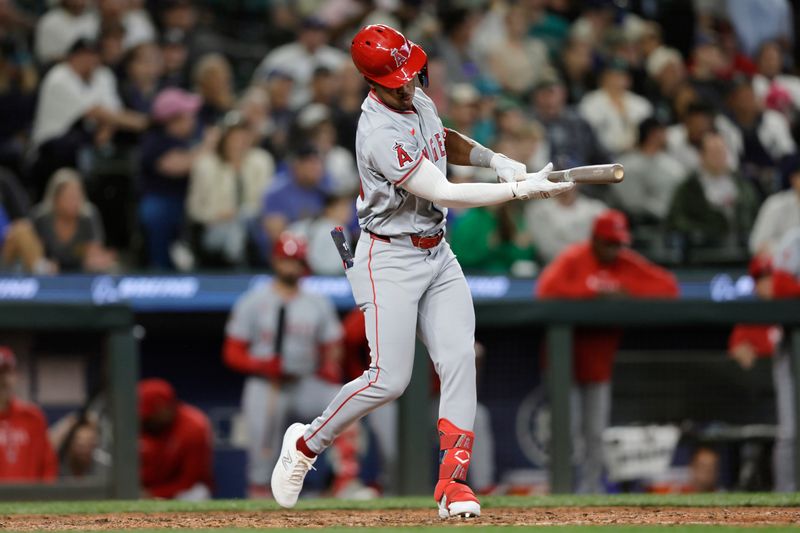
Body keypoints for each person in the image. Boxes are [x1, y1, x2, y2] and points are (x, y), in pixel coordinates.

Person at [269, 24, 573, 518]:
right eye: (398, 78)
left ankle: (452, 486)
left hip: (437, 251)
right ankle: (305, 444)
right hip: (387, 257)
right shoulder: (377, 131)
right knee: (389, 380)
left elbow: (442, 139)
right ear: (374, 81)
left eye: (410, 73)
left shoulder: (414, 96)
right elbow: (444, 191)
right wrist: (519, 191)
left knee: (459, 360)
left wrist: (493, 160)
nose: (409, 83)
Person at [536, 210, 679, 493]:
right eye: (608, 243)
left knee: (595, 433)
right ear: (595, 240)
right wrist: (594, 296)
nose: (614, 249)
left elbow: (669, 287)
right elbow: (545, 291)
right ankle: (560, 490)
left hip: (599, 364)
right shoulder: (574, 259)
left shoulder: (625, 264)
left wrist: (625, 292)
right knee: (565, 432)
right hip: (564, 363)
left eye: (618, 243)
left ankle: (590, 490)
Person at [223, 233, 343, 498]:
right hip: (266, 383)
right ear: (275, 261)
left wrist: (327, 368)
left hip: (304, 381)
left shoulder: (317, 302)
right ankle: (260, 496)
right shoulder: (254, 300)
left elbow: (333, 345)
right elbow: (232, 352)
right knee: (262, 450)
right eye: (285, 261)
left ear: (303, 265)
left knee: (345, 404)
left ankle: (344, 480)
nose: (290, 267)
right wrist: (260, 364)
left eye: (295, 261)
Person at [28, 37, 147, 199]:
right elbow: (95, 111)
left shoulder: (103, 74)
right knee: (71, 147)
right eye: (83, 55)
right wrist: (143, 122)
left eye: (93, 55)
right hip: (51, 145)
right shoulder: (58, 77)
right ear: (72, 57)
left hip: (87, 137)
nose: (89, 60)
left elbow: (113, 111)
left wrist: (107, 132)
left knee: (122, 147)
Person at [138, 87, 215, 269]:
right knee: (157, 213)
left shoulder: (189, 138)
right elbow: (178, 166)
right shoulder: (154, 141)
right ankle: (160, 269)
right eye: (188, 115)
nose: (193, 119)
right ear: (173, 120)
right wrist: (208, 146)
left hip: (192, 198)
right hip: (163, 199)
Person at [188, 113, 274, 267]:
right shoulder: (205, 165)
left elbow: (268, 201)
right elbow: (194, 209)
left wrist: (242, 214)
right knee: (236, 230)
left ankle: (238, 267)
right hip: (216, 226)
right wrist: (216, 215)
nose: (240, 141)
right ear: (224, 138)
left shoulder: (262, 160)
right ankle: (239, 269)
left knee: (245, 217)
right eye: (235, 136)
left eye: (244, 136)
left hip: (254, 224)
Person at [666, 132, 760, 250]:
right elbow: (676, 219)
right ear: (701, 156)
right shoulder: (688, 187)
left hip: (741, 249)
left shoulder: (743, 185)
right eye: (713, 153)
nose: (718, 157)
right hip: (703, 251)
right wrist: (703, 231)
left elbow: (756, 213)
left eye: (721, 152)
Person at [138, 378, 213, 500]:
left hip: (177, 492)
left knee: (197, 493)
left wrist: (154, 494)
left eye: (151, 414)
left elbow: (189, 481)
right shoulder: (136, 425)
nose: (146, 419)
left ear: (165, 408)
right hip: (141, 491)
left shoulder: (194, 426)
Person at [32, 168, 116, 273]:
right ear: (55, 198)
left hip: (80, 274)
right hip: (46, 276)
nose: (75, 202)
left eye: (78, 197)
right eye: (69, 197)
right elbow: (34, 256)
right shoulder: (41, 218)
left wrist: (98, 260)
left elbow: (93, 252)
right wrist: (44, 265)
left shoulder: (88, 217)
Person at [253, 17, 346, 110]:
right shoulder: (281, 56)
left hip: (326, 110)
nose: (314, 36)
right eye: (310, 31)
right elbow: (259, 82)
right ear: (301, 33)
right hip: (288, 108)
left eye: (318, 32)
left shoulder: (336, 58)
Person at [0, 346, 58, 482]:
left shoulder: (33, 417)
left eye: (6, 373)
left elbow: (48, 466)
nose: (2, 380)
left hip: (29, 501)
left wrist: (45, 499)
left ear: (15, 376)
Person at [612, 118, 687, 223]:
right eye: (662, 132)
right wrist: (666, 213)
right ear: (653, 135)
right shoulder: (627, 166)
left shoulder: (671, 164)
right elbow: (633, 204)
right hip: (644, 224)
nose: (667, 136)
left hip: (675, 220)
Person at [578, 61, 653, 157]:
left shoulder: (641, 104)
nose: (617, 80)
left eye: (621, 76)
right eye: (612, 76)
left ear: (629, 80)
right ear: (603, 78)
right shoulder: (590, 102)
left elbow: (650, 134)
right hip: (603, 157)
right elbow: (586, 137)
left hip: (637, 154)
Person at [525, 186, 607, 264]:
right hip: (552, 265)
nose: (564, 184)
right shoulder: (538, 210)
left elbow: (603, 243)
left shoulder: (596, 209)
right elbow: (546, 246)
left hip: (591, 263)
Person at [749, 158, 800, 256]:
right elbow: (757, 244)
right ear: (793, 179)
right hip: (779, 266)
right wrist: (789, 250)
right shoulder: (775, 204)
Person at [34, 0, 97, 65]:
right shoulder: (48, 21)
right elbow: (45, 57)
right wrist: (76, 60)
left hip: (93, 66)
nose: (79, 2)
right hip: (59, 68)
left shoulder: (94, 18)